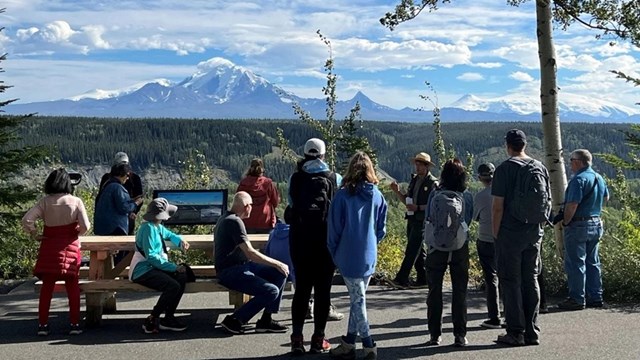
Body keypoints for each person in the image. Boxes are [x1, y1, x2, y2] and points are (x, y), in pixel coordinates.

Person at [327, 151, 387, 360]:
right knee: (357, 300)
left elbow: (333, 229)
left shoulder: (342, 196)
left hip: (347, 254)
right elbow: (381, 229)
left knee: (358, 301)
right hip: (368, 254)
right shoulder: (378, 195)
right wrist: (372, 242)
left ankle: (369, 344)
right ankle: (349, 341)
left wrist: (335, 253)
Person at [492, 129, 549, 346]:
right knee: (531, 279)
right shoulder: (539, 167)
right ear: (524, 145)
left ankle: (515, 332)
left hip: (510, 232)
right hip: (534, 232)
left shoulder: (504, 169)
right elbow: (547, 202)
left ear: (508, 145)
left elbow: (497, 207)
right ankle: (532, 331)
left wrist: (496, 234)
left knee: (510, 281)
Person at [22, 168, 91, 336]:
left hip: (50, 248)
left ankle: (43, 325)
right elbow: (86, 226)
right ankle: (74, 324)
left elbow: (27, 220)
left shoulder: (44, 202)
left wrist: (35, 234)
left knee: (47, 288)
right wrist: (76, 233)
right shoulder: (75, 201)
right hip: (70, 247)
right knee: (72, 287)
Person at [287, 138, 340, 354]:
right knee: (323, 291)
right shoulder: (334, 178)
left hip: (300, 240)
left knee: (301, 290)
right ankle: (319, 338)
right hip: (325, 242)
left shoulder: (296, 178)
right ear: (323, 154)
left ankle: (297, 339)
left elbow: (291, 205)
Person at [215, 191, 290, 335]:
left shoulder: (226, 217)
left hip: (242, 265)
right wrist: (277, 263)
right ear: (246, 206)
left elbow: (246, 252)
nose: (252, 208)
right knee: (271, 290)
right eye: (251, 205)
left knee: (279, 273)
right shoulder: (234, 221)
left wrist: (277, 266)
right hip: (230, 271)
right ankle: (235, 320)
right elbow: (250, 253)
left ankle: (266, 320)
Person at [423, 159, 473, 347]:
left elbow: (429, 218)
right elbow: (468, 221)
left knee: (435, 291)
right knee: (459, 292)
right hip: (460, 247)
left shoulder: (435, 193)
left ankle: (435, 334)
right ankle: (460, 335)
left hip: (436, 248)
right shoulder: (466, 196)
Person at [557, 149, 609, 310]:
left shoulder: (578, 180)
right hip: (596, 222)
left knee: (575, 262)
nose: (570, 163)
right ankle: (596, 296)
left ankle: (577, 298)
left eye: (571, 160)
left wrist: (565, 222)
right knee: (593, 261)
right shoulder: (599, 178)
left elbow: (572, 204)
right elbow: (606, 197)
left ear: (578, 162)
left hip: (578, 224)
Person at [129, 198, 190, 334]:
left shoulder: (156, 226)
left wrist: (180, 240)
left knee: (181, 277)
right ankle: (153, 317)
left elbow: (169, 235)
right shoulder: (148, 229)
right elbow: (151, 257)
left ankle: (168, 317)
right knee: (172, 285)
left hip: (153, 267)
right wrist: (173, 267)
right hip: (142, 270)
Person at [388, 152, 438, 289]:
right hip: (412, 218)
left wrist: (419, 207)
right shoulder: (414, 180)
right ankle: (424, 279)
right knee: (418, 249)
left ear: (427, 166)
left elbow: (435, 204)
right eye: (416, 164)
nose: (417, 167)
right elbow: (407, 202)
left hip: (422, 220)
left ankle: (401, 278)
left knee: (411, 250)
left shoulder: (433, 183)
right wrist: (397, 192)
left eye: (420, 164)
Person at [472, 162, 502, 329]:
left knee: (491, 279)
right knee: (508, 277)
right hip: (504, 239)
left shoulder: (480, 196)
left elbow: (475, 217)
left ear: (480, 178)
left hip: (485, 239)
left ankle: (494, 316)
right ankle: (512, 315)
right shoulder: (506, 193)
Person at [94, 162, 143, 239]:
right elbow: (124, 208)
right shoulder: (118, 188)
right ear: (121, 174)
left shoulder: (107, 185)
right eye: (127, 175)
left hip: (103, 228)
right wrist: (136, 203)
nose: (128, 178)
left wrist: (130, 200)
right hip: (115, 229)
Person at [236, 158, 280, 233]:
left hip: (247, 222)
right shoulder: (268, 183)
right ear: (262, 169)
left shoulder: (243, 184)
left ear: (250, 168)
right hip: (265, 221)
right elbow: (275, 202)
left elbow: (238, 203)